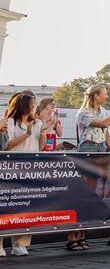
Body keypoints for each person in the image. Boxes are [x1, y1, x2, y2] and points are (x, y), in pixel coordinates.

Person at [72, 85, 110, 250]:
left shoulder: (102, 110)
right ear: (95, 95)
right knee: (86, 192)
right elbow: (103, 124)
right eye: (105, 94)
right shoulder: (83, 112)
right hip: (88, 149)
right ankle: (73, 235)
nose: (107, 96)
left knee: (97, 193)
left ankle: (82, 235)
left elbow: (106, 131)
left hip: (101, 148)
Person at [2, 92, 54, 256]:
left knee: (26, 207)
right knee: (5, 207)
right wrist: (26, 134)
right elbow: (7, 146)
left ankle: (20, 244)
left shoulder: (37, 122)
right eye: (32, 104)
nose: (34, 107)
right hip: (10, 169)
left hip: (31, 169)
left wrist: (43, 132)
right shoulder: (10, 122)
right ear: (23, 106)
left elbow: (40, 146)